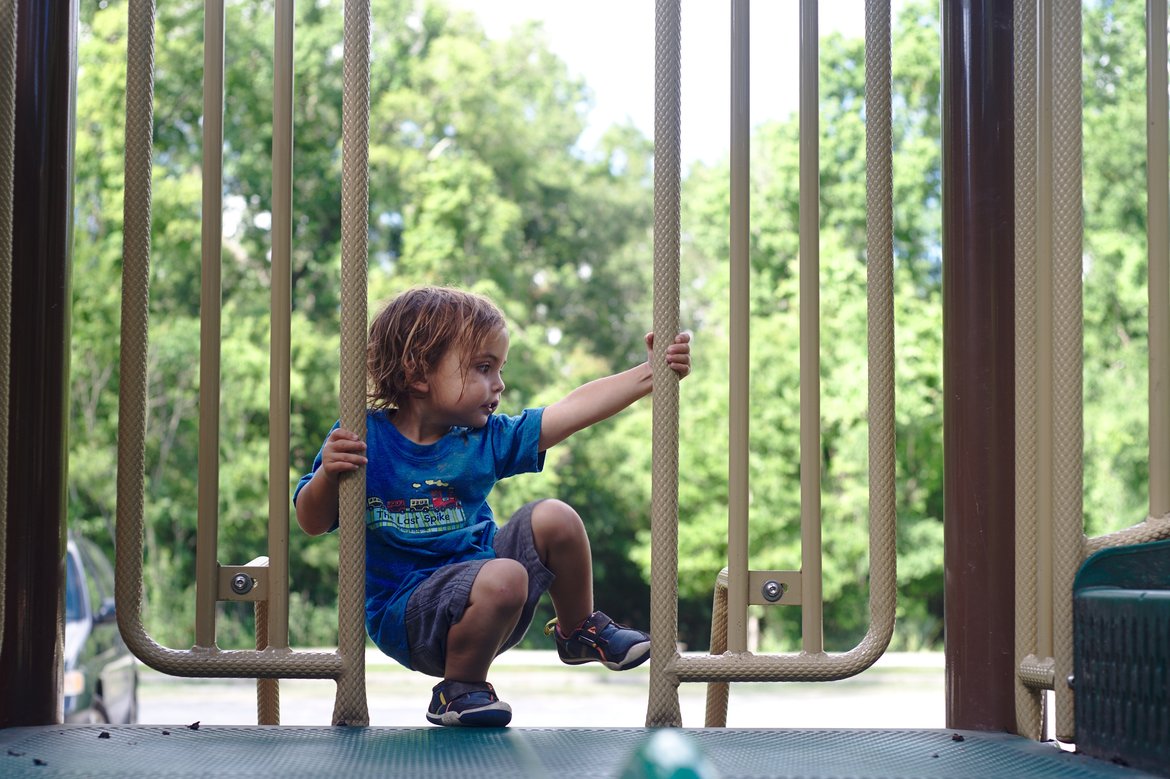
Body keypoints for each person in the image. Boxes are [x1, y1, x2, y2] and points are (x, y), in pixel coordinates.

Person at [294, 286, 692, 728]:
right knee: (505, 575)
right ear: (417, 373)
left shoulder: (482, 439)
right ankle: (458, 688)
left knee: (555, 517)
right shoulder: (364, 436)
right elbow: (312, 521)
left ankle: (577, 631)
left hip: (492, 597)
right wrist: (329, 475)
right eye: (483, 368)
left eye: (498, 369)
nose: (499, 385)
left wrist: (648, 373)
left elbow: (568, 411)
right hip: (408, 615)